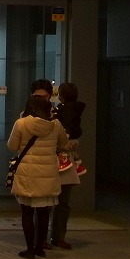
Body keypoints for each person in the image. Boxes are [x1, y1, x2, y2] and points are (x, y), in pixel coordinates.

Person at [7, 94, 69, 259]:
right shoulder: (56, 125)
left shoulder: (21, 123)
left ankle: (29, 249)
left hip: (27, 173)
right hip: (48, 173)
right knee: (43, 213)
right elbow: (63, 143)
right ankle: (39, 247)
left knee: (27, 213)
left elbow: (12, 146)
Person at [49, 82, 86, 250]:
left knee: (47, 202)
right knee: (63, 203)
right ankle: (58, 237)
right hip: (68, 162)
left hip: (56, 160)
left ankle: (44, 237)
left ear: (61, 95)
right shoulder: (76, 110)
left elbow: (61, 136)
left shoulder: (62, 112)